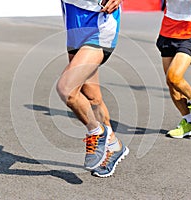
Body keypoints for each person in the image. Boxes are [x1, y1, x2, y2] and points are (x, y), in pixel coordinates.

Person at [57, 0, 129, 177]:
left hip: (99, 24)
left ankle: (97, 131)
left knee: (67, 88)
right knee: (92, 96)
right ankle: (114, 146)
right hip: (74, 24)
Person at [156, 0, 191, 138]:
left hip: (190, 34)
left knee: (173, 76)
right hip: (167, 32)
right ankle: (188, 121)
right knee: (172, 85)